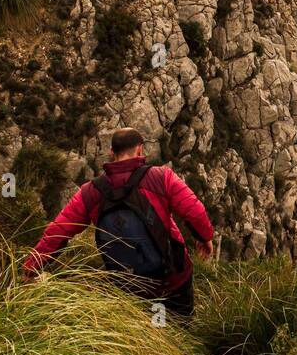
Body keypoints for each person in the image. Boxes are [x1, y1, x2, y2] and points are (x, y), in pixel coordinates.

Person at [23, 127, 213, 317]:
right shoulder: (161, 177)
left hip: (127, 287)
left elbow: (58, 232)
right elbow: (195, 212)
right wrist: (205, 237)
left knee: (143, 334)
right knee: (180, 332)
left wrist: (31, 267)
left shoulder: (90, 192)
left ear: (111, 152)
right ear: (140, 150)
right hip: (171, 280)